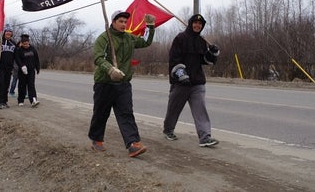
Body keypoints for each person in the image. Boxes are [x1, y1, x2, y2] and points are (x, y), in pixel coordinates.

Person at [88, 10, 156, 158]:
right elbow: (98, 58)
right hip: (105, 83)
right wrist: (110, 69)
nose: (123, 24)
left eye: (125, 22)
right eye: (120, 21)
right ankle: (97, 140)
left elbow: (145, 42)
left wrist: (150, 26)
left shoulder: (129, 38)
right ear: (113, 22)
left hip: (123, 83)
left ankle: (133, 144)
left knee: (126, 113)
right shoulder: (104, 38)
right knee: (101, 113)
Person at [163, 14, 220, 147]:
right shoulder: (180, 38)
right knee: (174, 109)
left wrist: (212, 53)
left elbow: (205, 61)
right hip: (181, 83)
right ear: (190, 24)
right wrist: (181, 74)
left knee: (200, 109)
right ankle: (168, 130)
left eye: (200, 24)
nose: (197, 26)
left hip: (197, 82)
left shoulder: (201, 41)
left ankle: (205, 137)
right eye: (195, 23)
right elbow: (174, 59)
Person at [0, 25, 16, 109]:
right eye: (7, 32)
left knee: (6, 84)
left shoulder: (13, 43)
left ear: (11, 34)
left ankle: (4, 101)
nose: (8, 33)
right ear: (4, 33)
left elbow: (16, 55)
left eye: (10, 32)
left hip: (9, 68)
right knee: (0, 83)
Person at [14, 34, 40, 107]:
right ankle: (20, 100)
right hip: (22, 71)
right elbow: (17, 59)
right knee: (22, 85)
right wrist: (22, 66)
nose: (26, 45)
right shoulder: (19, 50)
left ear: (29, 42)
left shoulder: (32, 49)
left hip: (31, 70)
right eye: (24, 44)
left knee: (31, 85)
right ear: (21, 43)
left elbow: (36, 59)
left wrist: (37, 68)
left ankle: (33, 100)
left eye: (27, 43)